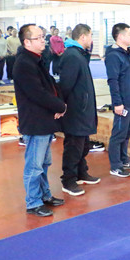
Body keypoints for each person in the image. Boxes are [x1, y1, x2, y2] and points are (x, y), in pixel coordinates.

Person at [13, 24, 67, 217]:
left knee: (44, 163)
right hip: (35, 121)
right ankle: (33, 202)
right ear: (27, 42)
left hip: (44, 119)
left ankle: (45, 195)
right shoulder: (24, 64)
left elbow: (50, 85)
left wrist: (59, 104)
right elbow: (37, 93)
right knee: (34, 166)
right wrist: (59, 106)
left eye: (43, 36)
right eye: (39, 37)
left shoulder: (37, 60)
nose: (43, 40)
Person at [59, 24, 100, 196]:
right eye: (90, 36)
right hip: (76, 110)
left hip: (83, 108)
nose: (92, 39)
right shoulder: (72, 56)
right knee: (73, 146)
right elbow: (65, 85)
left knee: (83, 144)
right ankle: (68, 180)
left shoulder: (79, 54)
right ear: (83, 37)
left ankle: (81, 172)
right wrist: (62, 106)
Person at [105, 23, 130, 178]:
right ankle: (115, 165)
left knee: (127, 133)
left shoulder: (127, 53)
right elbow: (113, 81)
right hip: (123, 102)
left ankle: (124, 159)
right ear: (120, 37)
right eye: (128, 34)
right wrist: (117, 103)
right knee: (118, 134)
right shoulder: (114, 55)